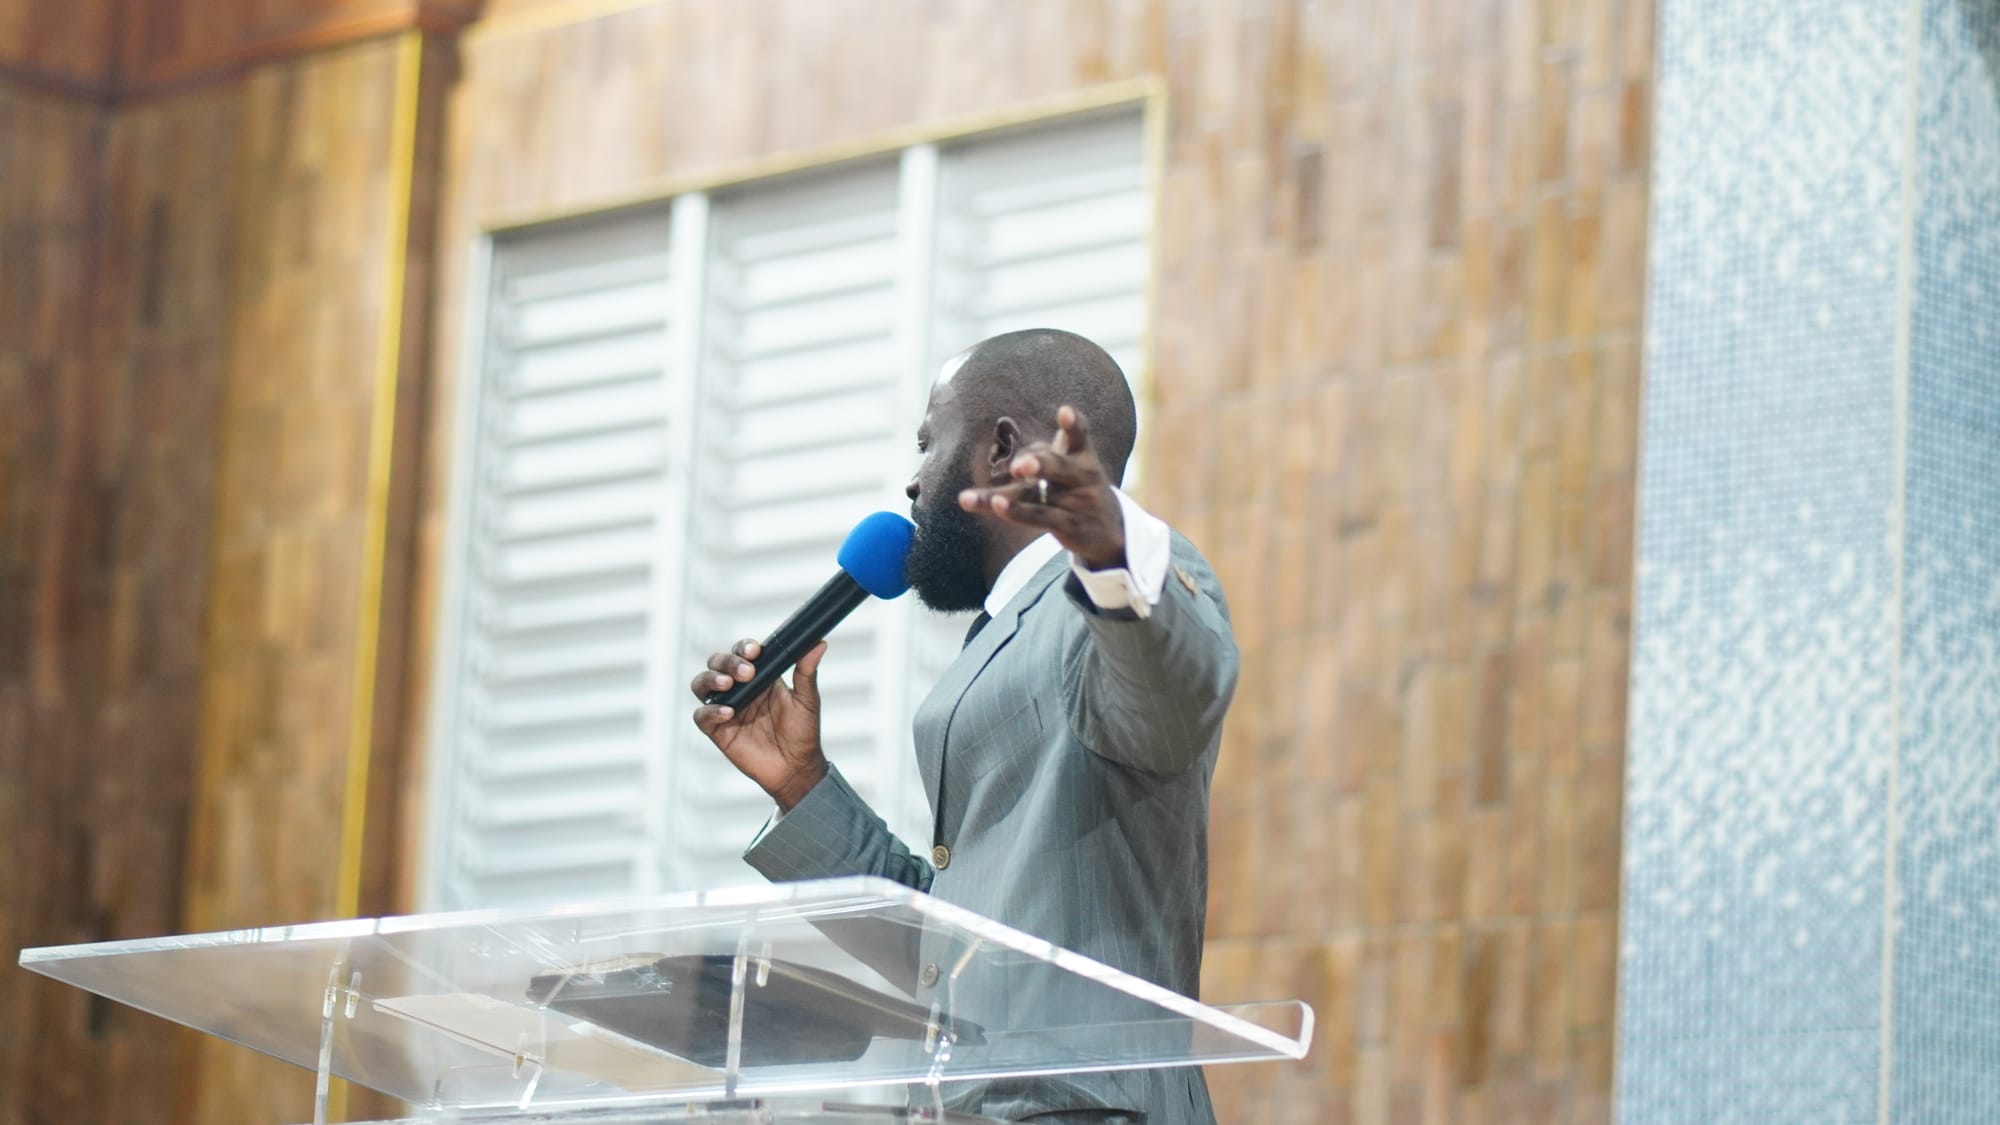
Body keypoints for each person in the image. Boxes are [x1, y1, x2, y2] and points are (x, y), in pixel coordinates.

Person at [688, 328, 1239, 1124]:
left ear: (1001, 449)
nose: (913, 481)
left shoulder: (1117, 594)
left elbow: (1171, 697)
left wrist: (1114, 555)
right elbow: (946, 955)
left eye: (928, 443)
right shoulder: (1008, 627)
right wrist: (801, 785)